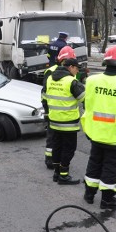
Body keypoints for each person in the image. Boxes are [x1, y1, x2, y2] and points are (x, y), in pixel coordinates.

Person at [81, 46, 116, 210]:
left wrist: (90, 128)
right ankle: (107, 199)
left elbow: (87, 105)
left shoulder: (92, 80)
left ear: (105, 61)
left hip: (95, 132)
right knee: (111, 167)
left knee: (94, 161)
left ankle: (89, 194)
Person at [43, 57, 85, 185]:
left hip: (54, 120)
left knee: (57, 147)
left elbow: (44, 97)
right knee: (68, 149)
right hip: (68, 122)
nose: (77, 72)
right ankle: (64, 176)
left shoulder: (50, 78)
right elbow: (85, 98)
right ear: (71, 67)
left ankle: (56, 173)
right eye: (77, 69)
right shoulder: (71, 81)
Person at [42, 45, 77, 169]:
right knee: (53, 138)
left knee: (59, 139)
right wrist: (46, 111)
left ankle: (58, 162)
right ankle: (50, 160)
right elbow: (45, 93)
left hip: (64, 113)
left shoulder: (69, 72)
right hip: (55, 111)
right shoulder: (51, 71)